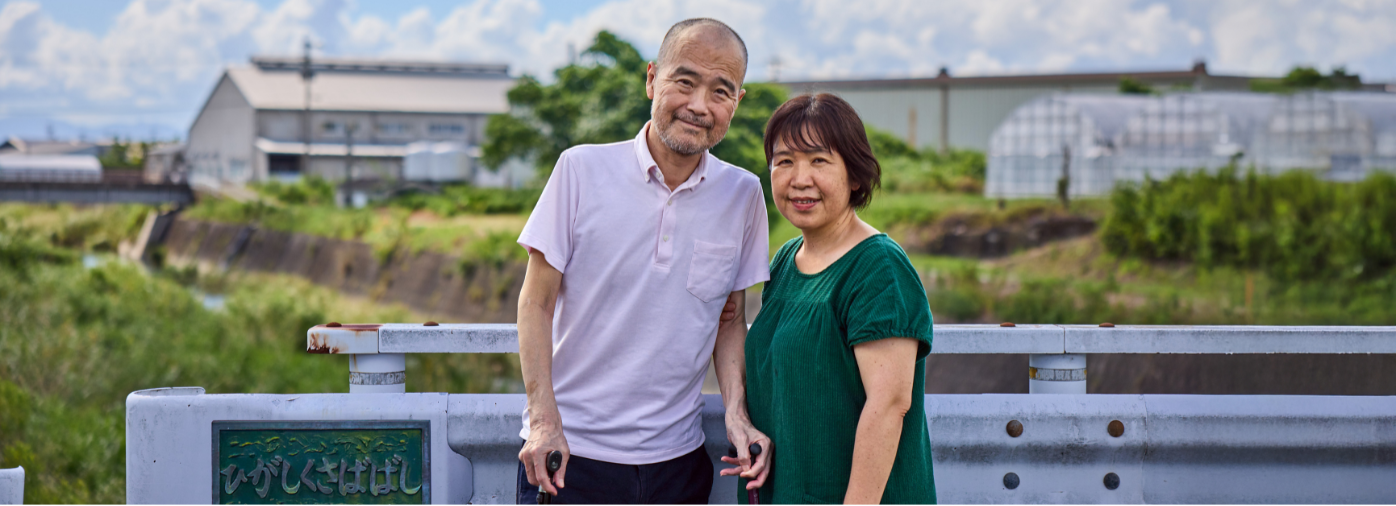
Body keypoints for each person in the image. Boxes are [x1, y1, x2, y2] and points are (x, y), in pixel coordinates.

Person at [514, 18, 773, 504]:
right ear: (652, 78)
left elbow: (730, 318)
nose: (699, 106)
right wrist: (544, 422)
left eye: (721, 91)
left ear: (737, 102)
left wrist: (737, 415)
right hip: (568, 458)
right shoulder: (580, 168)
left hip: (678, 464)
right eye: (685, 81)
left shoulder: (743, 194)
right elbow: (536, 303)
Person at [724, 93, 936, 504]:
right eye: (784, 162)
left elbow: (889, 405)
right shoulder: (786, 260)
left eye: (819, 161)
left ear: (854, 175)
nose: (799, 179)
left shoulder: (878, 267)